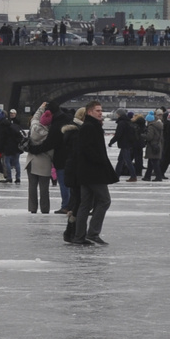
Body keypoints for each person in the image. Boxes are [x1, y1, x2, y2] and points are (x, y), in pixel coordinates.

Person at [71, 101, 119, 244]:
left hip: (88, 171)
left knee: (85, 204)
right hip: (93, 172)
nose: (100, 113)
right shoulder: (90, 127)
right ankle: (92, 233)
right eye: (97, 110)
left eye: (101, 110)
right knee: (104, 200)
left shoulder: (91, 126)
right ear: (89, 112)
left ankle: (79, 236)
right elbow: (87, 149)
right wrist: (100, 161)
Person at [26, 108, 56, 213]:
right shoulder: (49, 134)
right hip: (44, 163)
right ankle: (45, 209)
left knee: (32, 187)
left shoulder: (33, 126)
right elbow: (52, 151)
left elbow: (35, 117)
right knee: (44, 189)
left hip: (31, 161)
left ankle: (32, 208)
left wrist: (41, 107)